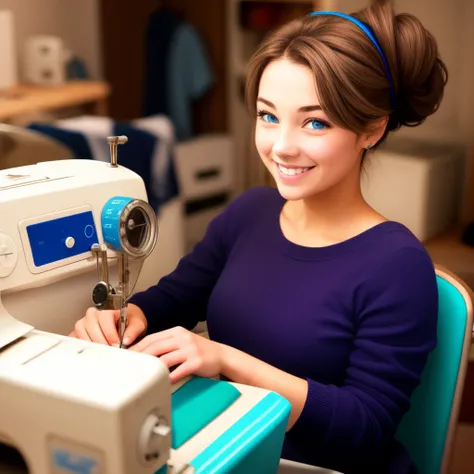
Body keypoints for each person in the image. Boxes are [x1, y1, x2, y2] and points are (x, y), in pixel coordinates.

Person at [70, 2, 447, 473]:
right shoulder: (249, 213)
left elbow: (364, 430)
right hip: (229, 448)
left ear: (371, 128)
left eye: (315, 122)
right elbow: (174, 298)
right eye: (268, 116)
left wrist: (226, 359)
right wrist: (125, 317)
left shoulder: (397, 263)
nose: (282, 146)